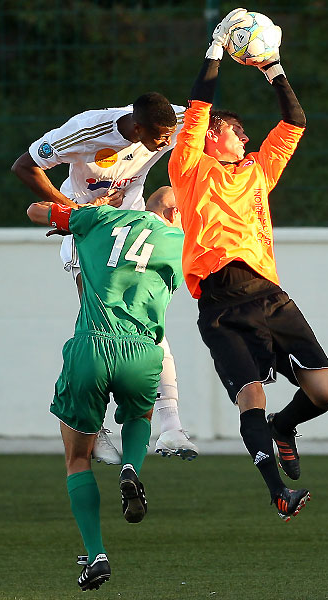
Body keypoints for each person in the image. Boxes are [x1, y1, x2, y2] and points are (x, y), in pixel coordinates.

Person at [168, 8, 328, 521]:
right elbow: (199, 105)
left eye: (244, 133)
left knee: (325, 392)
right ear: (213, 136)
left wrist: (273, 68)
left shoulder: (259, 171)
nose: (244, 138)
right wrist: (216, 49)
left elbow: (295, 122)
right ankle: (277, 493)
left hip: (269, 295)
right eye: (236, 131)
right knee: (251, 397)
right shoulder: (190, 168)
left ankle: (287, 427)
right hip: (220, 302)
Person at [12, 92, 198, 461]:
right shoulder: (86, 130)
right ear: (137, 127)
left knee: (146, 324)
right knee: (99, 328)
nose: (166, 143)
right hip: (90, 232)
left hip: (132, 226)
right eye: (160, 136)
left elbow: (206, 116)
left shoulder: (173, 121)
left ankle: (172, 427)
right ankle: (94, 427)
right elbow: (23, 166)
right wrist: (78, 212)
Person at [26, 186, 184, 591]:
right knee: (140, 414)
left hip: (92, 345)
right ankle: (132, 465)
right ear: (173, 213)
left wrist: (84, 211)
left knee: (78, 458)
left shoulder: (98, 219)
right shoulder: (178, 241)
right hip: (141, 351)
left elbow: (35, 211)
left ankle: (96, 555)